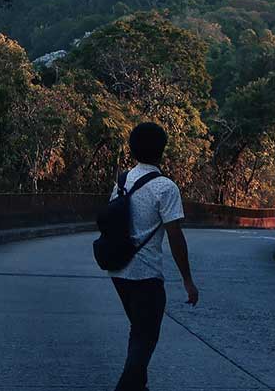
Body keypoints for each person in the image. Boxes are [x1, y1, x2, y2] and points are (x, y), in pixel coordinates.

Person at [106, 122, 199, 391]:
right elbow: (175, 236)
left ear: (133, 150)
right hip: (146, 275)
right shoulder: (165, 188)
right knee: (145, 339)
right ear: (162, 151)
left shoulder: (122, 182)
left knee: (138, 333)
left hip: (119, 272)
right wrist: (188, 281)